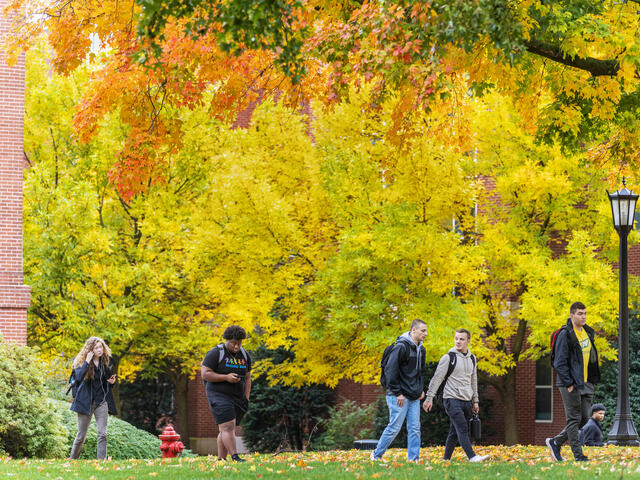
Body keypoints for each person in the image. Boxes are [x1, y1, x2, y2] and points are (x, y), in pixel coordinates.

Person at [423, 328, 489, 463]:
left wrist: (475, 401)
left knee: (454, 431)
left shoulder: (472, 358)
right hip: (451, 398)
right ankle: (472, 457)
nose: (458, 341)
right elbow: (437, 378)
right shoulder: (448, 358)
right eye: (456, 338)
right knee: (462, 427)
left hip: (466, 400)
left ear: (468, 341)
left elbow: (473, 380)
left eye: (462, 339)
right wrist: (429, 398)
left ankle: (446, 459)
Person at [546, 301, 600, 462]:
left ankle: (556, 442)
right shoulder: (566, 334)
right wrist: (569, 383)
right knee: (574, 418)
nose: (583, 316)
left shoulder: (587, 332)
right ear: (571, 315)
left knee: (584, 418)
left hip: (586, 383)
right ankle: (578, 455)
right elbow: (559, 362)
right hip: (570, 384)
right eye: (579, 313)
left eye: (585, 313)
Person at [370, 319, 428, 462]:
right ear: (413, 330)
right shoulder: (401, 347)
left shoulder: (421, 349)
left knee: (415, 429)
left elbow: (421, 372)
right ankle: (376, 455)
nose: (425, 334)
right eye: (423, 330)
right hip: (398, 396)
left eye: (426, 331)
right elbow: (390, 371)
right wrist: (398, 393)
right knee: (394, 428)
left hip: (413, 396)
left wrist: (420, 389)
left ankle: (413, 459)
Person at [201, 325, 252, 462]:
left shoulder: (245, 355)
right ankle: (235, 456)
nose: (236, 347)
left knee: (225, 429)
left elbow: (247, 377)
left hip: (237, 397)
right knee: (228, 426)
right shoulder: (216, 353)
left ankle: (221, 459)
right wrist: (226, 377)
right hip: (218, 395)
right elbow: (205, 374)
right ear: (227, 340)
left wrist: (246, 398)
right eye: (234, 343)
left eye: (239, 343)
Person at [69, 336, 117, 460]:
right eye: (96, 348)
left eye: (101, 347)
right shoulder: (81, 362)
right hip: (86, 403)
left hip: (101, 402)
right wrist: (87, 361)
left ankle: (102, 461)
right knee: (81, 436)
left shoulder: (105, 362)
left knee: (103, 434)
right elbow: (78, 378)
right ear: (90, 350)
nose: (99, 350)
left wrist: (112, 382)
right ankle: (73, 460)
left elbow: (107, 382)